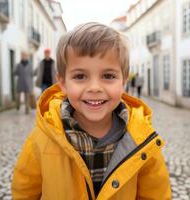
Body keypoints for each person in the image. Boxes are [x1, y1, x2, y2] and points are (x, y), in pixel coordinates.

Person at [12, 22, 171, 199]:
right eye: (80, 76)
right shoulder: (42, 139)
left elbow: (155, 195)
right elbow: (24, 190)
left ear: (123, 82)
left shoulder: (142, 140)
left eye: (108, 76)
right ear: (63, 83)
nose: (94, 88)